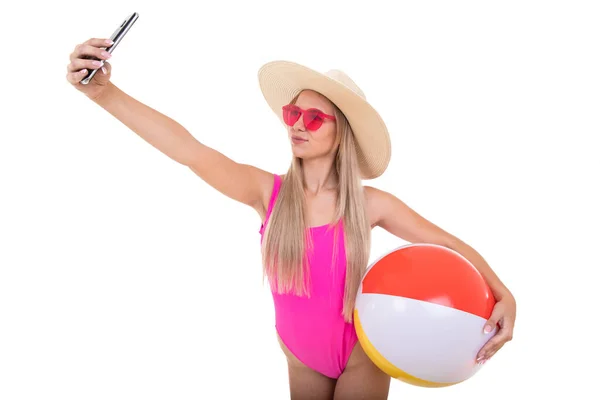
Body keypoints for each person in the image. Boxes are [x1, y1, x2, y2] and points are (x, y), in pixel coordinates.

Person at [66, 37, 517, 400]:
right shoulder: (269, 194)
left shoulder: (370, 203)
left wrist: (504, 295)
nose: (298, 124)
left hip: (360, 354)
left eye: (315, 117)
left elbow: (450, 245)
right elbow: (189, 150)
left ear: (342, 133)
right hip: (300, 354)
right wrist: (105, 94)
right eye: (293, 113)